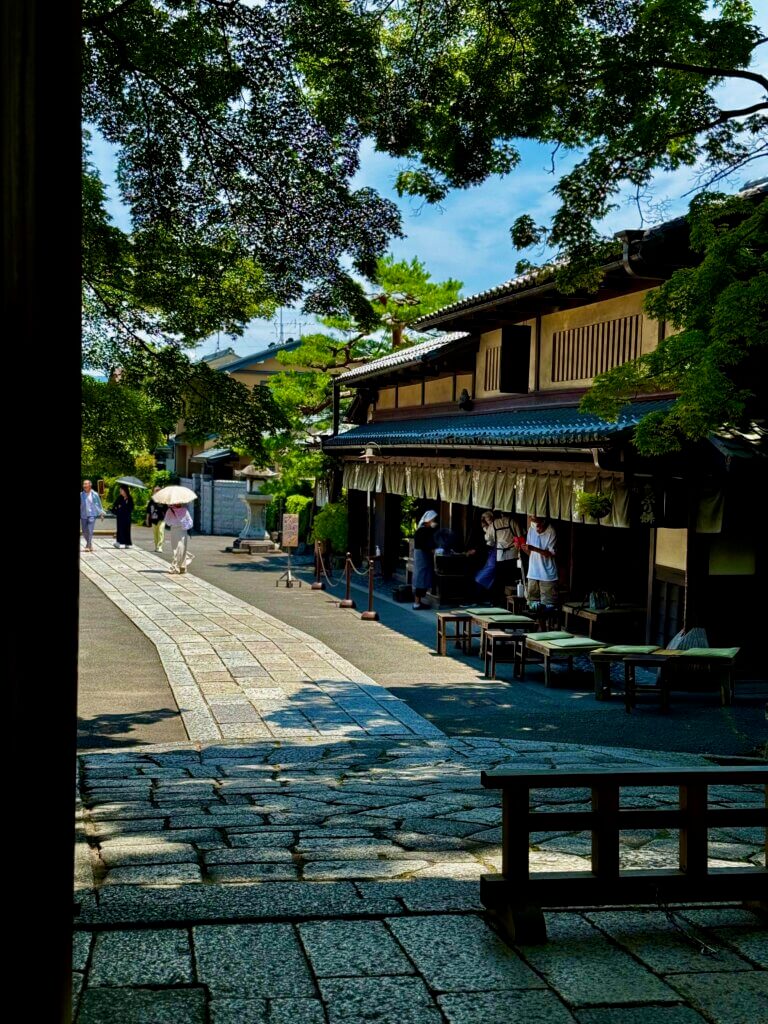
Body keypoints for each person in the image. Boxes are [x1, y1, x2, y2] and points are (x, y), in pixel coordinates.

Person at [524, 515, 558, 607]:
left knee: (548, 606)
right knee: (532, 604)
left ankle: (546, 621)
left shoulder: (551, 531)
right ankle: (537, 622)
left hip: (547, 574)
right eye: (534, 524)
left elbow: (550, 554)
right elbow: (530, 552)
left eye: (538, 525)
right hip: (533, 572)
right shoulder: (531, 529)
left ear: (543, 522)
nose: (536, 528)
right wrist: (521, 547)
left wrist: (534, 548)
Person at [412, 509, 438, 609]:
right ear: (429, 520)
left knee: (422, 578)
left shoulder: (423, 530)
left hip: (422, 556)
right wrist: (432, 549)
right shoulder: (423, 530)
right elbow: (425, 545)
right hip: (422, 556)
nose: (434, 521)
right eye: (433, 520)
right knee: (421, 578)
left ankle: (418, 602)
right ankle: (417, 603)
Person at [471, 511, 498, 603]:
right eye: (486, 519)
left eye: (489, 519)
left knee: (483, 577)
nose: (488, 521)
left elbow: (490, 541)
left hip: (495, 553)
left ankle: (484, 598)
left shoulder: (495, 526)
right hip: (490, 555)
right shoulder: (487, 528)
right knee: (479, 576)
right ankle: (479, 598)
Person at [165, 503, 194, 574]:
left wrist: (184, 525)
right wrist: (173, 522)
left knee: (182, 548)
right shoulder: (170, 510)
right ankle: (177, 566)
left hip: (182, 530)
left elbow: (190, 521)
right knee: (176, 548)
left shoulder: (184, 510)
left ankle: (181, 566)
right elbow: (167, 521)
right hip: (174, 530)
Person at [80, 479, 105, 552]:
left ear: (90, 485)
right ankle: (90, 544)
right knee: (84, 531)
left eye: (86, 484)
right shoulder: (81, 494)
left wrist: (101, 514)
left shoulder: (95, 494)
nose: (84, 485)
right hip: (83, 515)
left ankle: (88, 545)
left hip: (92, 515)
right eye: (83, 484)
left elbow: (99, 505)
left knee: (90, 531)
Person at [145, 486, 167, 552]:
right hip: (153, 519)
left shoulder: (163, 500)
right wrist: (147, 519)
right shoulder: (151, 501)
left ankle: (160, 547)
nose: (157, 492)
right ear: (153, 492)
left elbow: (166, 510)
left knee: (160, 532)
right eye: (156, 490)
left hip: (161, 519)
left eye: (158, 490)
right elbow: (148, 511)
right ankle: (156, 546)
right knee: (155, 534)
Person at [111, 484, 134, 548]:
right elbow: (115, 506)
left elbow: (131, 508)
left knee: (127, 529)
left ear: (125, 490)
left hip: (127, 517)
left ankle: (127, 543)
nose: (120, 491)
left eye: (121, 490)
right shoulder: (119, 498)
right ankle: (118, 542)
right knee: (120, 529)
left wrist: (122, 507)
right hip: (120, 516)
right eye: (120, 490)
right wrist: (119, 508)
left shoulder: (130, 498)